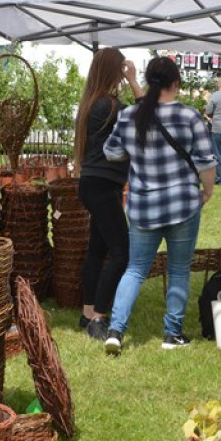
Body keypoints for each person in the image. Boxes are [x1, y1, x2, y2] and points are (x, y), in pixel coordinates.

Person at [102, 56, 217, 355]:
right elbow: (206, 162)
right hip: (183, 204)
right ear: (176, 83)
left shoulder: (129, 115)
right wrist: (207, 192)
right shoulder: (190, 116)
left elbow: (111, 152)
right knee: (179, 270)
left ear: (149, 81)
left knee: (136, 269)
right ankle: (172, 334)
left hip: (143, 206)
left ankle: (115, 331)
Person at [74, 48, 143, 341]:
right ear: (114, 71)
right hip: (103, 185)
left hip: (93, 183)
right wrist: (134, 80)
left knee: (97, 251)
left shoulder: (91, 103)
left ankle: (88, 312)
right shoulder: (111, 106)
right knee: (121, 253)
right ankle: (99, 317)